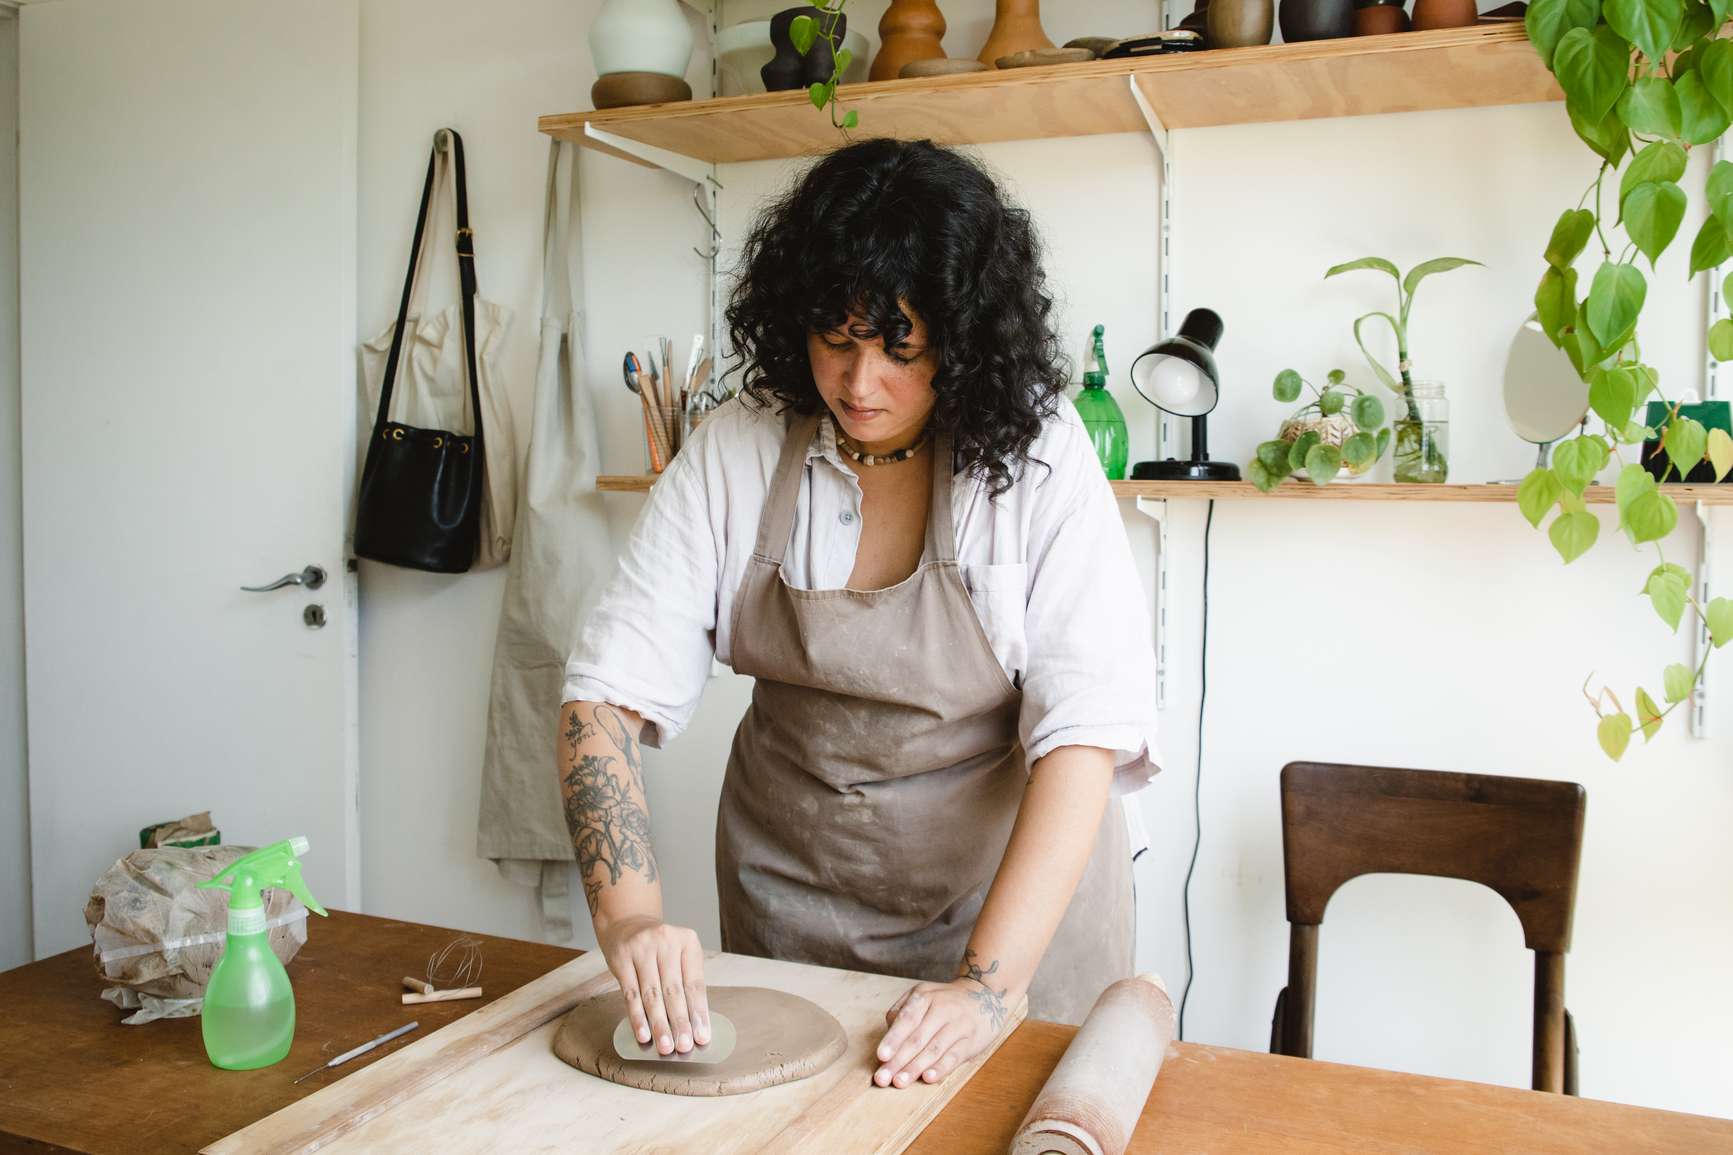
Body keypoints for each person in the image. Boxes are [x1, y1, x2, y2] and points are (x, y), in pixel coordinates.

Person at [558, 138, 1158, 1090]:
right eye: (835, 339)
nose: (858, 382)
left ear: (962, 336)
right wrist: (627, 916)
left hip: (1004, 919)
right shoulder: (738, 446)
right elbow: (601, 703)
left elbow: (1082, 739)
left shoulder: (1037, 456)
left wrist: (988, 988)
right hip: (792, 912)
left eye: (899, 347)